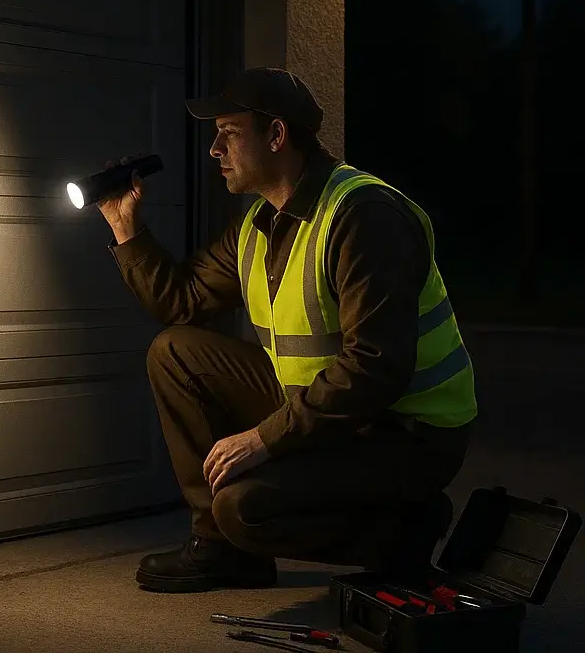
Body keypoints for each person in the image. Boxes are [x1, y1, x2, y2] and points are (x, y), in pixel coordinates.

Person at [98, 66, 476, 593]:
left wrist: (263, 439)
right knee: (176, 352)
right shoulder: (259, 222)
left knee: (244, 507)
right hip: (330, 413)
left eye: (229, 134)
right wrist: (124, 225)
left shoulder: (363, 216)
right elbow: (180, 303)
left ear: (276, 136)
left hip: (405, 436)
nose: (215, 151)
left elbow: (376, 368)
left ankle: (404, 530)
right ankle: (223, 553)